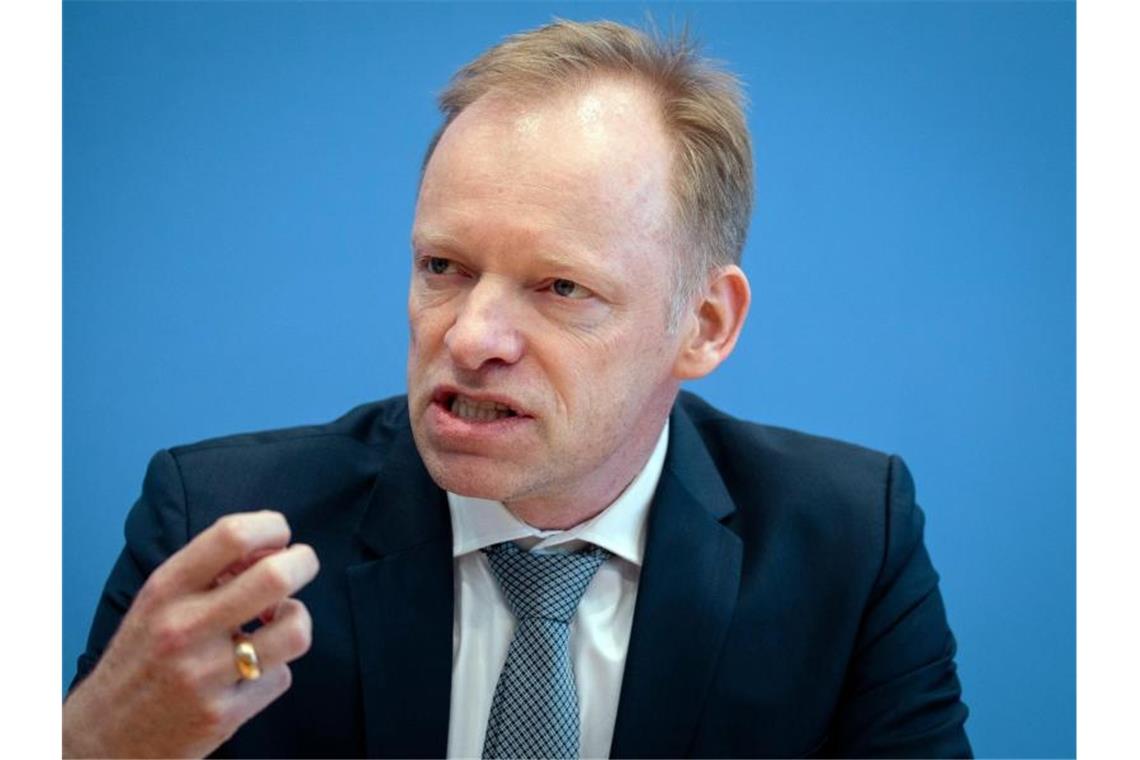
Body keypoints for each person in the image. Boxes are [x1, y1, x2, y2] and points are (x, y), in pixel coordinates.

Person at [63, 19, 971, 759]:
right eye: (444, 267)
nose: (469, 338)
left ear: (704, 325)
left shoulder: (847, 547)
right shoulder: (223, 534)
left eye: (560, 287)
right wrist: (98, 745)